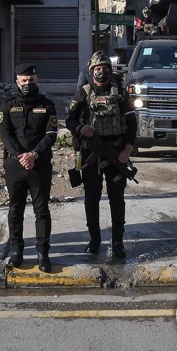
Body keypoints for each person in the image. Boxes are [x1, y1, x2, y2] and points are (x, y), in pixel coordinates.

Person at [66, 52, 137, 259]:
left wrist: (127, 150)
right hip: (91, 154)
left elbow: (132, 123)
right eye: (97, 68)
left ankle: (117, 242)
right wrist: (81, 128)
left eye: (105, 67)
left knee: (117, 199)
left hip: (117, 154)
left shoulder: (121, 93)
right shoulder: (83, 93)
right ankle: (94, 240)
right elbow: (69, 120)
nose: (102, 71)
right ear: (91, 71)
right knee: (91, 198)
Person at [0, 63, 59, 272]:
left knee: (41, 211)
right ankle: (17, 251)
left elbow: (51, 134)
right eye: (23, 81)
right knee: (15, 210)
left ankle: (43, 253)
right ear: (17, 82)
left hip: (39, 164)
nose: (27, 84)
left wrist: (34, 154)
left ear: (37, 81)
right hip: (15, 165)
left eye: (31, 81)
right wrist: (20, 155)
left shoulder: (47, 105)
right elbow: (5, 134)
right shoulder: (8, 105)